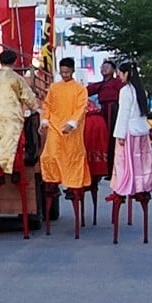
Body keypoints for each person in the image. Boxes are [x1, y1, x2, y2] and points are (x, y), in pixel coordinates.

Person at [39, 58, 91, 231]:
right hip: (55, 127)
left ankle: (71, 186)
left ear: (73, 71)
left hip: (72, 131)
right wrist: (45, 121)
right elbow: (47, 105)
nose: (64, 75)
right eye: (62, 72)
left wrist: (72, 123)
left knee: (72, 159)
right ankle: (53, 182)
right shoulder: (54, 87)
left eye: (67, 72)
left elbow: (81, 108)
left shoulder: (79, 89)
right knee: (49, 156)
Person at [108, 62, 152, 241]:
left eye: (121, 73)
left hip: (128, 131)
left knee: (124, 162)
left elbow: (123, 114)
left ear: (127, 73)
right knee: (141, 162)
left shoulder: (125, 91)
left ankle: (124, 185)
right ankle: (141, 186)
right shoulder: (140, 90)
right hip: (141, 131)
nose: (119, 77)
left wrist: (119, 135)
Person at [0, 50, 40, 176]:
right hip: (13, 116)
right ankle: (15, 171)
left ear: (0, 61)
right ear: (15, 61)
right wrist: (35, 108)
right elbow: (28, 97)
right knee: (15, 144)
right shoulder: (17, 78)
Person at [87, 60, 122, 184]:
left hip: (114, 110)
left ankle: (113, 169)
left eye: (107, 67)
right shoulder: (100, 85)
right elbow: (86, 90)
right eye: (102, 67)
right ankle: (104, 169)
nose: (104, 69)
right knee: (103, 140)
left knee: (113, 139)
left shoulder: (118, 83)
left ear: (113, 70)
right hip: (104, 111)